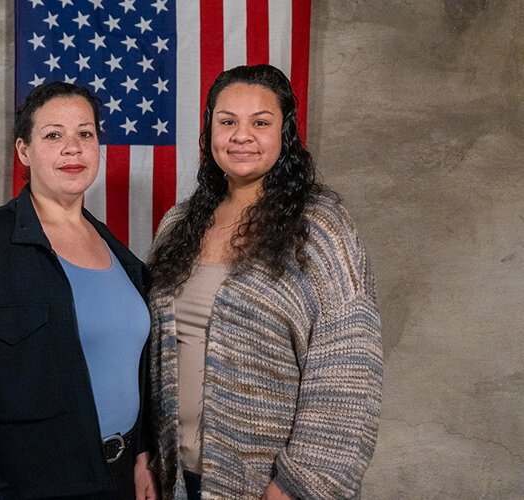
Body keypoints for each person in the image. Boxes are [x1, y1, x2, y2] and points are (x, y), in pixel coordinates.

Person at [147, 64, 383, 499]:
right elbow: (151, 358)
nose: (241, 136)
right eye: (227, 122)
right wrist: (148, 457)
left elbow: (350, 375)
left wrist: (296, 487)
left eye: (260, 122)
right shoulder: (177, 226)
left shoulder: (319, 228)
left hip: (266, 487)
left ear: (285, 132)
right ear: (209, 130)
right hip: (176, 479)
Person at [0, 81, 157, 499]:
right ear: (24, 152)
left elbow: (137, 368)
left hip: (122, 478)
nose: (73, 148)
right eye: (54, 135)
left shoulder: (117, 251)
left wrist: (143, 453)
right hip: (31, 485)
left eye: (85, 134)